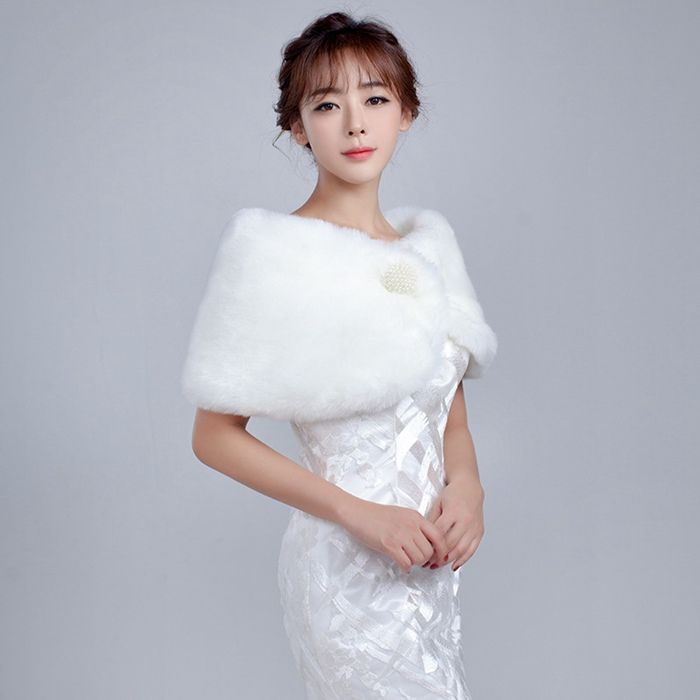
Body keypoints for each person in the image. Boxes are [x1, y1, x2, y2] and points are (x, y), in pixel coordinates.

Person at [180, 11, 498, 699]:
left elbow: (449, 414)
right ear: (298, 126)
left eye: (375, 99)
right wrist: (358, 513)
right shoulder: (274, 257)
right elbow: (213, 437)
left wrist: (469, 487)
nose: (355, 124)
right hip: (346, 571)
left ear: (406, 112)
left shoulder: (429, 251)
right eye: (327, 105)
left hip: (431, 566)